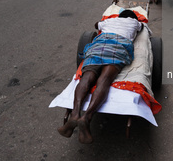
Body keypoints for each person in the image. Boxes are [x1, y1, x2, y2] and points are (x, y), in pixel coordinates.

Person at [57, 10, 144, 144]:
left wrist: (106, 22)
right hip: (117, 47)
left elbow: (96, 25)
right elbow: (142, 28)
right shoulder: (135, 22)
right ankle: (87, 117)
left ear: (119, 16)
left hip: (99, 46)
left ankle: (74, 114)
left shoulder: (109, 21)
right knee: (104, 80)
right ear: (133, 18)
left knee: (87, 77)